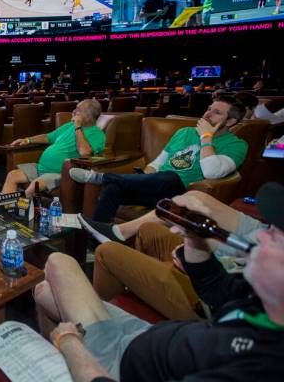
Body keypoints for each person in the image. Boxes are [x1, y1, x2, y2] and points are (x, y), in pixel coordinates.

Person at [33, 182, 284, 381]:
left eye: (276, 239)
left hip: (116, 364)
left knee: (57, 263)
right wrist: (195, 239)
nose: (261, 235)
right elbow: (214, 285)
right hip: (145, 336)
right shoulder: (264, 304)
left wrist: (68, 343)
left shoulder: (259, 366)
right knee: (44, 290)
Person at [70, 96, 248, 244]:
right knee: (114, 188)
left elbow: (211, 172)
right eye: (209, 108)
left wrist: (206, 136)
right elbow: (156, 164)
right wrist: (142, 181)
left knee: (169, 177)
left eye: (217, 112)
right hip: (156, 187)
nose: (208, 114)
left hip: (182, 194)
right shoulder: (184, 132)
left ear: (231, 121)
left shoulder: (237, 145)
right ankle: (99, 242)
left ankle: (103, 177)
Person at [93, 189, 266, 320]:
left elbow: (248, 274)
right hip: (232, 264)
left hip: (221, 297)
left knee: (106, 252)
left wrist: (202, 261)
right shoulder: (268, 235)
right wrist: (198, 243)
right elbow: (255, 239)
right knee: (148, 229)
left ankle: (101, 325)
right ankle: (141, 293)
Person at [2, 99, 105, 197]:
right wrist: (27, 140)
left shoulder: (97, 134)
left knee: (34, 187)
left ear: (89, 115)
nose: (73, 112)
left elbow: (84, 152)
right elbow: (48, 137)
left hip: (60, 173)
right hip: (41, 168)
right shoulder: (69, 126)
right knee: (12, 175)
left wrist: (78, 127)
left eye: (78, 110)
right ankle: (5, 210)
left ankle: (20, 212)